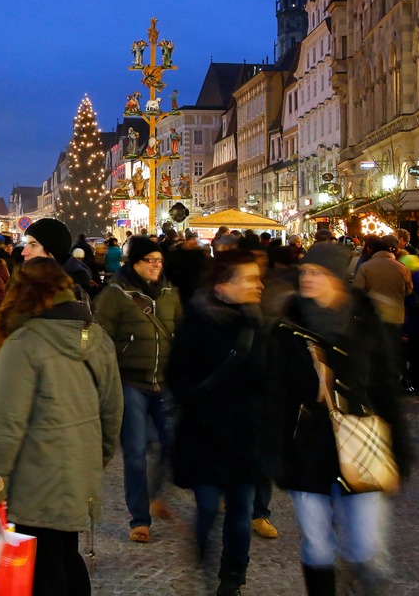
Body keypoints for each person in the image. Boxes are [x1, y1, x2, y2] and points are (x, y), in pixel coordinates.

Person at [267, 242, 412, 596]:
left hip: (361, 440)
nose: (307, 278)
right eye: (304, 272)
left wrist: (400, 450)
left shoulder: (364, 320)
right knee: (317, 545)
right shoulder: (287, 326)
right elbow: (274, 392)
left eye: (316, 272)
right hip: (306, 447)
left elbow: (384, 389)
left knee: (365, 546)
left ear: (337, 278)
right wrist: (272, 450)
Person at [0, 258, 122, 596]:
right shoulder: (98, 338)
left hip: (31, 484)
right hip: (76, 477)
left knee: (40, 573)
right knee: (64, 558)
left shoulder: (24, 345)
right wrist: (92, 463)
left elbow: (4, 426)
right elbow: (113, 413)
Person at [169, 249, 267, 596]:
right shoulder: (197, 321)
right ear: (224, 286)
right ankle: (204, 559)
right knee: (208, 506)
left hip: (245, 434)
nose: (259, 285)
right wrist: (199, 402)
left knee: (240, 510)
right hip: (206, 432)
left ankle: (231, 578)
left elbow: (268, 379)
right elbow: (177, 375)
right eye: (251, 279)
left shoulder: (257, 321)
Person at [93, 236, 181, 542]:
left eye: (160, 260)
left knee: (172, 444)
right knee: (134, 452)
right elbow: (100, 338)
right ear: (135, 263)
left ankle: (155, 496)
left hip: (165, 381)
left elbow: (180, 332)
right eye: (150, 260)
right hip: (130, 382)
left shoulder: (170, 293)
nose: (157, 266)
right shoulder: (115, 295)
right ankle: (139, 519)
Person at [23, 217, 94, 296]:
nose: (23, 252)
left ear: (54, 251)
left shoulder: (74, 293)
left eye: (33, 245)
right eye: (25, 244)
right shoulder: (26, 280)